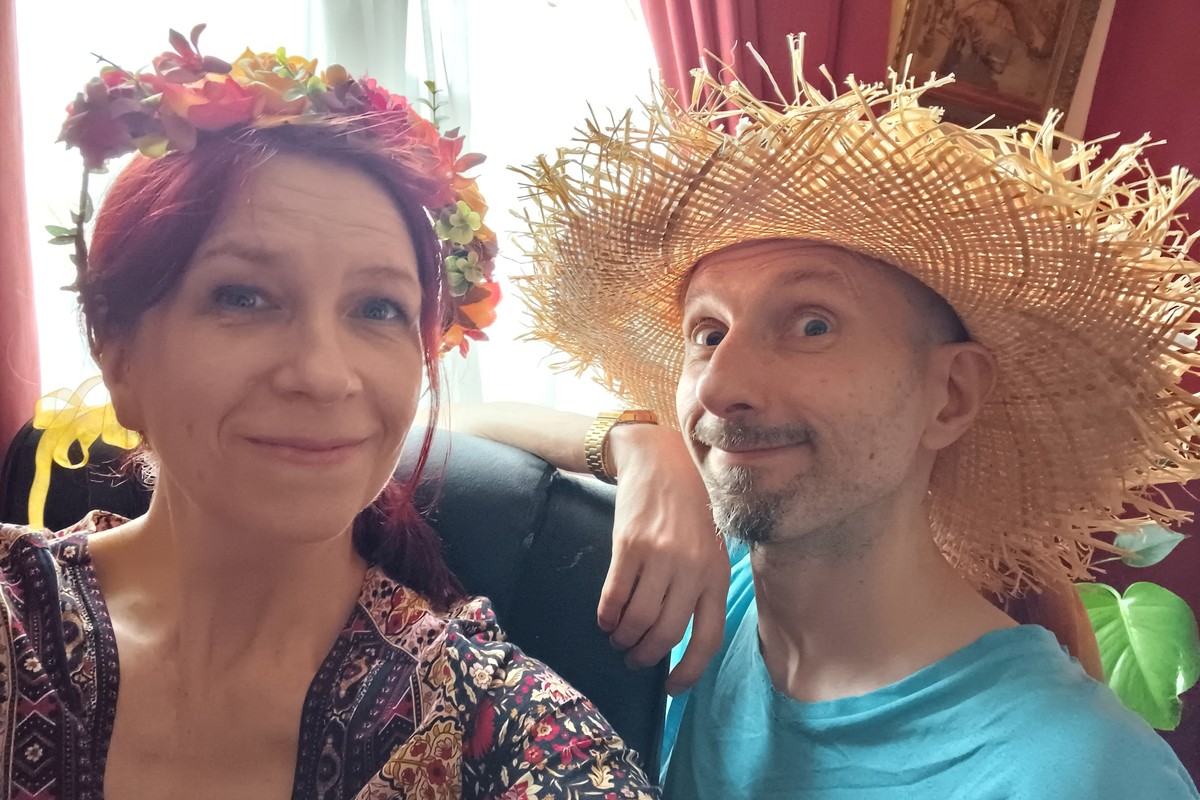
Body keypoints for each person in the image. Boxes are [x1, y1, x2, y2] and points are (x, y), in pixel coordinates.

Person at [460, 35, 1200, 798]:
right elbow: (444, 425)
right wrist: (640, 445)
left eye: (812, 325)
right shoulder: (714, 592)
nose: (721, 386)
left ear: (950, 395)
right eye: (707, 333)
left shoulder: (1082, 775)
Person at [0, 28, 661, 798]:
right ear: (116, 352)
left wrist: (642, 441)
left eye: (378, 308)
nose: (322, 374)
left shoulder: (503, 728)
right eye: (243, 296)